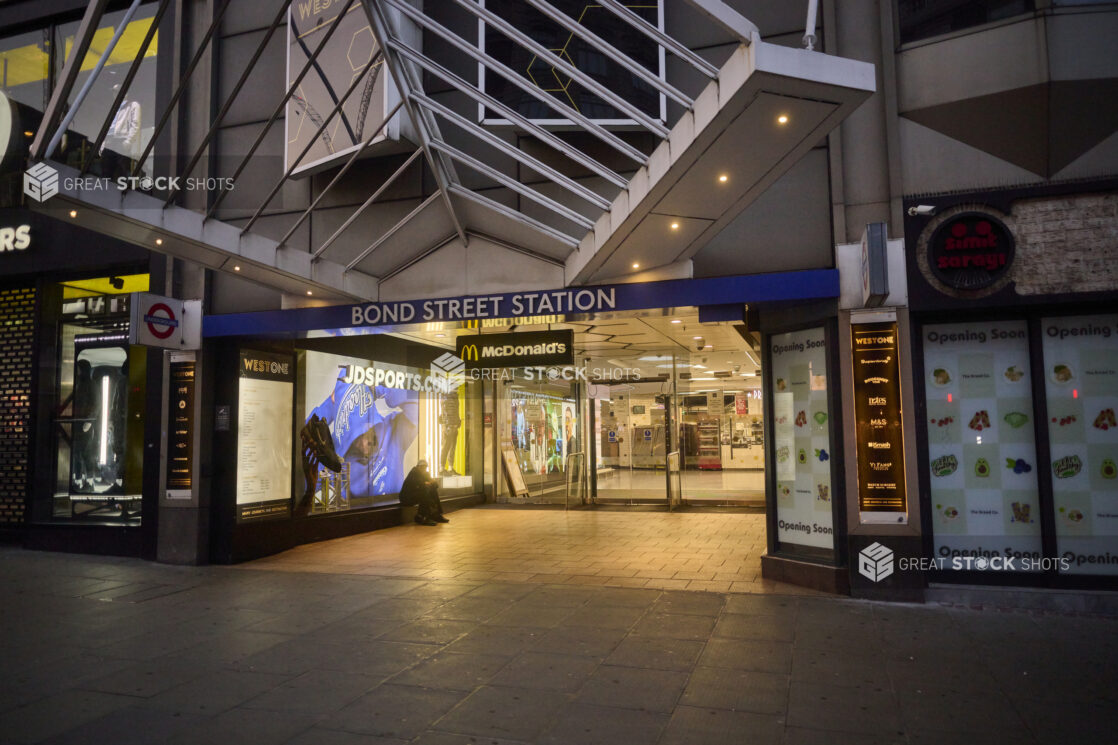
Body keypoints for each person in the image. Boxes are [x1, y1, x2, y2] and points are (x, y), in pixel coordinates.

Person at [399, 459, 448, 525]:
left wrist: (432, 482)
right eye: (422, 467)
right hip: (406, 497)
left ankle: (436, 514)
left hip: (416, 495)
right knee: (425, 490)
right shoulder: (414, 472)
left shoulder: (425, 474)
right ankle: (422, 516)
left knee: (432, 490)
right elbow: (419, 485)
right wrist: (428, 484)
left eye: (425, 467)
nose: (423, 469)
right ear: (418, 466)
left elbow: (435, 485)